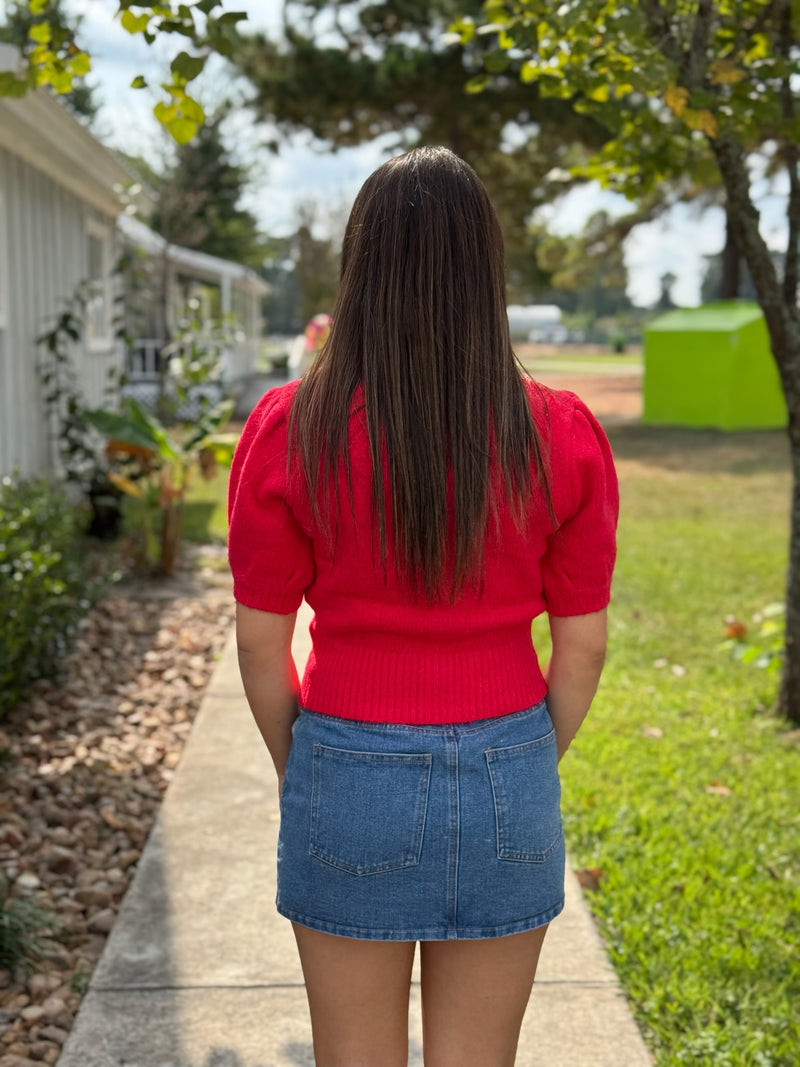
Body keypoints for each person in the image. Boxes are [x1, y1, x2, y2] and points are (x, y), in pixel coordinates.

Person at [228, 146, 618, 1067]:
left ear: (359, 265)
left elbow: (258, 644)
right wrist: (520, 757)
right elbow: (584, 648)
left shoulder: (295, 428)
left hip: (348, 762)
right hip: (508, 767)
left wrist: (312, 766)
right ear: (488, 270)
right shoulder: (559, 432)